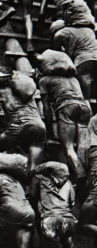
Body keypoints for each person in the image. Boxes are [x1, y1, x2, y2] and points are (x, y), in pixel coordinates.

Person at [37, 52, 90, 180]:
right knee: (82, 146)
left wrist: (50, 132)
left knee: (68, 147)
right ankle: (90, 175)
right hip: (84, 108)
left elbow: (47, 109)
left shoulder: (45, 80)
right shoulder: (73, 79)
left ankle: (82, 178)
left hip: (67, 107)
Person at [29, 162, 77, 248]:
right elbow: (71, 203)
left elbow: (32, 198)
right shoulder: (68, 183)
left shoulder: (37, 178)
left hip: (50, 220)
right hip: (69, 220)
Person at [51, 18, 97, 100]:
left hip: (84, 60)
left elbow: (58, 55)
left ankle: (87, 106)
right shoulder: (86, 30)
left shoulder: (61, 34)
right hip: (94, 56)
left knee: (85, 95)